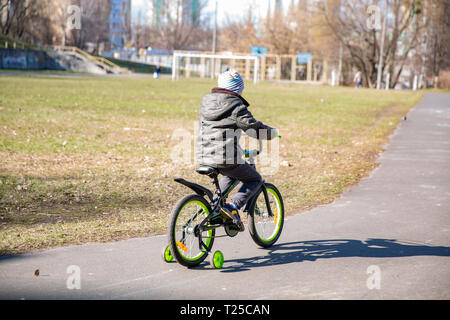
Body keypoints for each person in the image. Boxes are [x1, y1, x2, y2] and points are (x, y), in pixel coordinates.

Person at [195, 69, 278, 232]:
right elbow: (252, 127)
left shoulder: (207, 102)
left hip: (204, 155)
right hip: (225, 158)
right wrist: (272, 133)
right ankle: (233, 207)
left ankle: (216, 208)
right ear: (237, 90)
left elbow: (218, 131)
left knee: (228, 174)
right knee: (255, 179)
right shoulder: (235, 105)